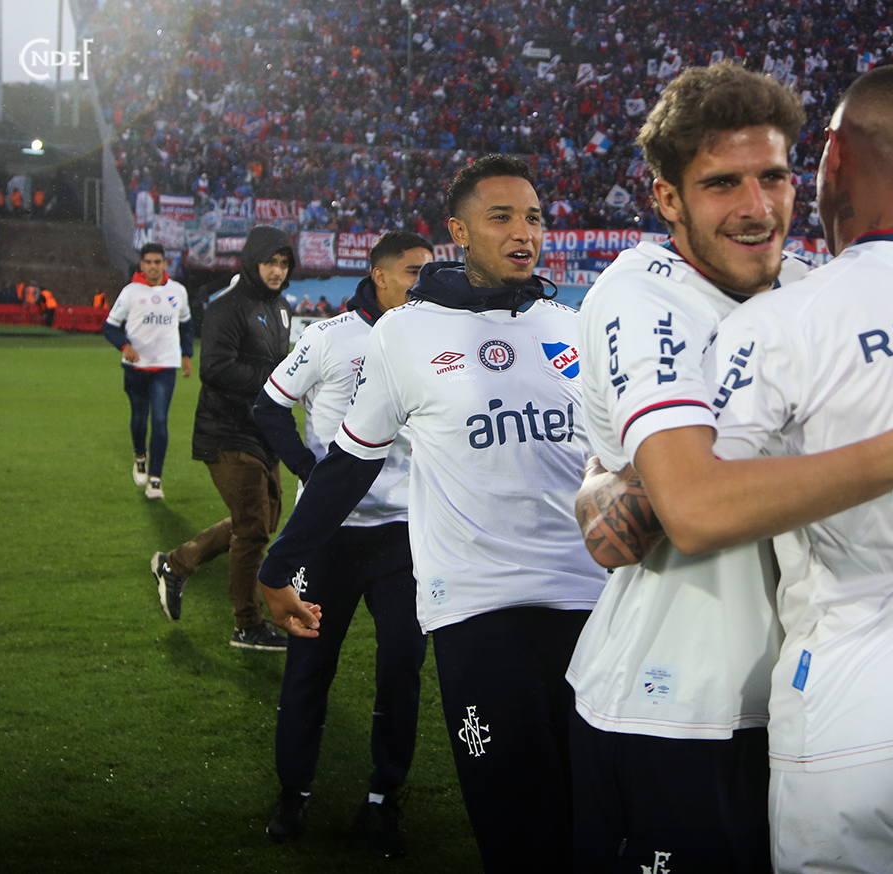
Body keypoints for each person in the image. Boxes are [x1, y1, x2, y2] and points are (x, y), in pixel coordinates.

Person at [568, 63, 893, 873]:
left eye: (771, 177)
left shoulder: (810, 290)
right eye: (721, 184)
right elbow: (654, 517)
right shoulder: (640, 296)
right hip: (679, 701)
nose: (756, 207)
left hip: (820, 697)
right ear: (667, 199)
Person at [257, 155, 607, 871]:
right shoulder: (405, 334)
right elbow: (350, 463)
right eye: (501, 217)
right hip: (479, 607)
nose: (524, 233)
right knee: (518, 824)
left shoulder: (572, 325)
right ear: (460, 231)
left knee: (595, 814)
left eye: (534, 218)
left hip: (594, 600)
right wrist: (279, 564)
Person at [250, 231, 433, 854]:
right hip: (328, 537)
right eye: (411, 272)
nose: (422, 283)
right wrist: (311, 471)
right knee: (309, 667)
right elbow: (268, 407)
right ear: (379, 276)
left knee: (402, 668)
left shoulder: (432, 339)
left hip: (404, 536)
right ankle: (293, 792)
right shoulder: (330, 337)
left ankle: (384, 798)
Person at [150, 226, 294, 651]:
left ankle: (176, 565)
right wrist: (277, 378)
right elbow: (215, 368)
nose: (277, 271)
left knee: (263, 521)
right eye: (270, 262)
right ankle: (247, 625)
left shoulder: (282, 307)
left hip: (263, 431)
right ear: (252, 262)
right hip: (226, 431)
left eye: (284, 264)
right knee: (253, 530)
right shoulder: (225, 308)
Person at [103, 243, 192, 500]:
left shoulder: (178, 291)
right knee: (140, 419)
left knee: (160, 421)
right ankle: (140, 455)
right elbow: (109, 327)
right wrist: (125, 346)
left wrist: (187, 354)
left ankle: (155, 480)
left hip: (165, 366)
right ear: (142, 265)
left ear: (165, 264)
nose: (153, 267)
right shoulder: (130, 293)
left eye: (158, 262)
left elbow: (186, 325)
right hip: (136, 368)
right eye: (149, 262)